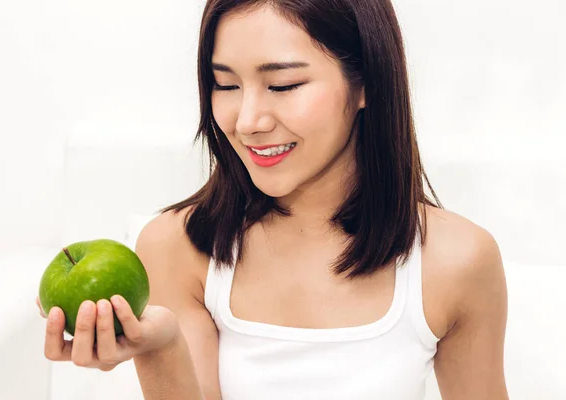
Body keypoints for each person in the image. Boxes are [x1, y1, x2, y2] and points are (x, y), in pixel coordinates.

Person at [37, 0, 510, 399]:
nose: (247, 120)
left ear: (366, 81)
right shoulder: (175, 247)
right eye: (225, 84)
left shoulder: (456, 261)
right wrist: (161, 348)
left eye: (283, 85)